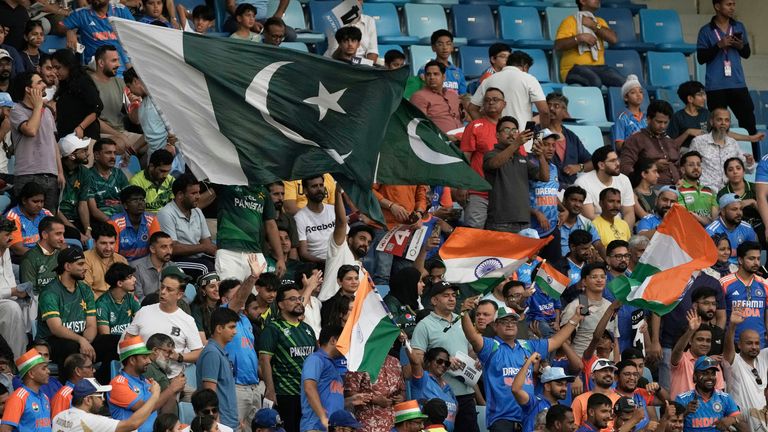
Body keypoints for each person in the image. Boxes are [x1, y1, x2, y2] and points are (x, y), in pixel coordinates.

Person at [461, 299, 583, 431]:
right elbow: (472, 336)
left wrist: (575, 318)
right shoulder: (490, 346)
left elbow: (556, 341)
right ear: (495, 326)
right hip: (502, 419)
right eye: (504, 321)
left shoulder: (528, 346)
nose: (510, 325)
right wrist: (464, 314)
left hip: (528, 418)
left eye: (513, 321)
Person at [412, 282, 478, 432]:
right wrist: (444, 362)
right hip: (439, 396)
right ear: (434, 300)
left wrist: (478, 359)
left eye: (454, 295)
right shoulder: (424, 325)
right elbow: (417, 359)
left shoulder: (462, 320)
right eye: (446, 295)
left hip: (466, 393)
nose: (452, 299)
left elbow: (471, 352)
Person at [125, 266, 203, 380]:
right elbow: (128, 337)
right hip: (142, 379)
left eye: (169, 290)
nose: (163, 292)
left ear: (179, 295)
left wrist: (179, 357)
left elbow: (198, 352)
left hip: (172, 379)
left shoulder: (187, 320)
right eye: (162, 287)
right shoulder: (144, 311)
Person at [258, 284, 317, 432]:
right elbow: (264, 360)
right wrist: (270, 390)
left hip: (307, 394)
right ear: (281, 304)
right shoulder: (273, 329)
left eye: (299, 299)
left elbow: (317, 361)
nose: (298, 302)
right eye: (292, 299)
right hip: (285, 394)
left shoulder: (307, 329)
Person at [696, 0, 756, 136]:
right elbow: (701, 58)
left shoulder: (739, 26)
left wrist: (740, 46)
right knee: (717, 127)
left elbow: (746, 54)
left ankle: (753, 150)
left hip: (738, 83)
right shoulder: (706, 30)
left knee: (749, 123)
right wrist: (719, 45)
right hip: (715, 86)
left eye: (733, 4)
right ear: (717, 6)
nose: (732, 8)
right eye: (728, 4)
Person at [36, 247, 101, 371]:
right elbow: (56, 328)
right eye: (80, 264)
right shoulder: (49, 292)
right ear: (67, 266)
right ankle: (68, 382)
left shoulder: (85, 289)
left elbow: (91, 325)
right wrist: (81, 340)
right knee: (71, 347)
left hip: (81, 337)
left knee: (110, 342)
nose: (85, 268)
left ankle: (103, 380)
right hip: (53, 341)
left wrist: (86, 342)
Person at [8, 71, 62, 212]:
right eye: (39, 82)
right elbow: (31, 130)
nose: (44, 85)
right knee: (26, 217)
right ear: (28, 89)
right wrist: (38, 106)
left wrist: (60, 172)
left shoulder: (48, 112)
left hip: (50, 175)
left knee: (49, 219)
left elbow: (53, 143)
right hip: (27, 175)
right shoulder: (16, 110)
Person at [483, 116, 543, 233]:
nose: (511, 134)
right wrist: (516, 143)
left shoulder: (522, 158)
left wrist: (541, 157)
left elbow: (544, 177)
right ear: (497, 135)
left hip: (524, 222)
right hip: (500, 222)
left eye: (514, 130)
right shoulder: (491, 154)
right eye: (506, 130)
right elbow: (495, 163)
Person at [215, 184, 284, 281]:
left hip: (255, 253)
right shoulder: (227, 185)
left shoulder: (263, 191)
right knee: (231, 290)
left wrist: (280, 258)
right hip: (229, 251)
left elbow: (271, 225)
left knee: (260, 290)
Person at [460, 87, 507, 228]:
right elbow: (465, 157)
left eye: (495, 99)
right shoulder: (474, 126)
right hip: (478, 193)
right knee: (473, 235)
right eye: (487, 100)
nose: (491, 102)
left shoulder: (510, 129)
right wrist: (462, 186)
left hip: (503, 195)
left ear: (504, 104)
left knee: (499, 238)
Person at [469, 51, 549, 130]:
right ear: (525, 67)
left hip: (495, 134)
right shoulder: (529, 79)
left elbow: (472, 108)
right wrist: (544, 132)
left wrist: (485, 128)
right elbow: (544, 111)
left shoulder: (488, 80)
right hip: (521, 134)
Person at [157, 174, 216, 280]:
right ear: (180, 195)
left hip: (198, 257)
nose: (198, 196)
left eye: (198, 192)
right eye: (194, 193)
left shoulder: (197, 211)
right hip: (174, 260)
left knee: (222, 262)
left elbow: (206, 242)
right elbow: (172, 248)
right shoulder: (166, 213)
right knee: (205, 268)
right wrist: (204, 247)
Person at [88, 46, 143, 156]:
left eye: (118, 60)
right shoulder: (88, 83)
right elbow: (91, 119)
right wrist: (118, 135)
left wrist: (139, 104)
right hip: (100, 134)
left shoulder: (120, 82)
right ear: (101, 63)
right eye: (114, 61)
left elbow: (135, 120)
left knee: (156, 143)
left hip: (122, 133)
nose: (119, 64)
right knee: (119, 144)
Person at [52, 377, 160, 432]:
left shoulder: (59, 417)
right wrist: (155, 395)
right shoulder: (90, 420)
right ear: (88, 400)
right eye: (99, 396)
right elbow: (133, 424)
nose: (103, 399)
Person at [553, 0, 621, 87]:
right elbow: (558, 45)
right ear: (582, 1)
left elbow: (613, 39)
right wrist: (579, 38)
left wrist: (594, 25)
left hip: (599, 68)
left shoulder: (599, 22)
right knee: (595, 81)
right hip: (574, 69)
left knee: (624, 84)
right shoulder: (570, 21)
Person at [561, 263, 619, 358]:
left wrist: (617, 363)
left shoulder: (610, 305)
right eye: (594, 277)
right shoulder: (578, 305)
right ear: (584, 281)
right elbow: (565, 341)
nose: (599, 280)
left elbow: (615, 339)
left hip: (607, 363)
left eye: (602, 277)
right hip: (583, 361)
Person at [691, 107, 756, 191]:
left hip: (729, 191)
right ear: (711, 122)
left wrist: (749, 163)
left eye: (727, 120)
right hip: (706, 191)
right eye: (719, 120)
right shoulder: (698, 142)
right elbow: (689, 167)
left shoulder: (733, 143)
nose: (723, 123)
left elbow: (747, 170)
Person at [722, 309, 767, 432]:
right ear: (739, 345)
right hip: (739, 426)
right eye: (749, 343)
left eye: (757, 343)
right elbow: (728, 347)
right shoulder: (734, 360)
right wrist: (732, 325)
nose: (754, 347)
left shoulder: (763, 358)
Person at [619, 100, 681, 187]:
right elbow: (625, 168)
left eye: (665, 122)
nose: (662, 126)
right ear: (648, 119)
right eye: (659, 122)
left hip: (678, 187)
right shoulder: (636, 139)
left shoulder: (670, 142)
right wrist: (653, 166)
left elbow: (680, 167)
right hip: (651, 189)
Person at [196, 308, 239, 430]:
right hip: (221, 424)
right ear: (219, 329)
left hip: (229, 422)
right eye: (231, 327)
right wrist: (216, 425)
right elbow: (209, 393)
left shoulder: (218, 352)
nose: (235, 332)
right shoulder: (212, 353)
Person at [300, 325, 348, 431]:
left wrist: (351, 401)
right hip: (316, 427)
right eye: (344, 340)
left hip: (330, 427)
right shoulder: (315, 359)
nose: (347, 345)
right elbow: (309, 388)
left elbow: (331, 399)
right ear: (333, 340)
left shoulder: (333, 364)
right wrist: (323, 417)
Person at [674, 356, 741, 431]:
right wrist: (685, 412)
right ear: (695, 376)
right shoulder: (682, 399)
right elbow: (671, 425)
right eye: (705, 373)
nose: (710, 377)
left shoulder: (725, 397)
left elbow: (739, 417)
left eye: (713, 373)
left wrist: (731, 419)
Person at [574, 146, 636, 228]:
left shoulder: (624, 179)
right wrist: (613, 230)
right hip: (595, 229)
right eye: (613, 161)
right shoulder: (583, 182)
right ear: (601, 165)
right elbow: (590, 216)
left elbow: (629, 212)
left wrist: (624, 231)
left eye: (617, 159)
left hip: (620, 228)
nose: (618, 163)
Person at [344, 350, 403, 432]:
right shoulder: (360, 360)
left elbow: (402, 389)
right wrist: (374, 399)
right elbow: (350, 392)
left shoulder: (395, 361)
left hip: (390, 422)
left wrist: (401, 397)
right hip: (367, 423)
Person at [670, 310, 725, 398]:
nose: (704, 344)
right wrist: (690, 331)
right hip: (681, 406)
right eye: (700, 339)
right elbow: (677, 350)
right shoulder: (682, 358)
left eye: (708, 341)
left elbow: (719, 394)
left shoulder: (713, 363)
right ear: (690, 341)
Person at [512, 355, 575, 432]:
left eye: (565, 385)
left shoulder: (561, 410)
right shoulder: (534, 402)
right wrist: (529, 362)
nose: (564, 388)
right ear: (547, 386)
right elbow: (515, 389)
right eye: (559, 384)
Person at [108, 337, 158, 432]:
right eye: (144, 357)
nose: (149, 361)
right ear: (132, 360)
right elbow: (144, 408)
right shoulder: (117, 384)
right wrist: (170, 390)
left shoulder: (147, 381)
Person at [51, 49, 103, 140]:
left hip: (84, 136)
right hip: (67, 136)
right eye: (53, 68)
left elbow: (97, 107)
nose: (54, 71)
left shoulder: (83, 81)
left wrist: (81, 127)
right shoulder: (64, 83)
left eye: (58, 67)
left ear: (68, 65)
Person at [721, 241, 766, 346]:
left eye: (758, 258)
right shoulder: (724, 283)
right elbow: (719, 317)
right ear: (740, 260)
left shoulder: (764, 284)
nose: (756, 263)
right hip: (733, 346)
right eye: (751, 258)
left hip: (760, 346)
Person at [545, 93, 594, 188]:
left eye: (556, 106)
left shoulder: (571, 137)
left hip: (570, 190)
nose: (551, 108)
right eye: (548, 105)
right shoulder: (538, 132)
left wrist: (579, 167)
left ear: (564, 111)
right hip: (547, 188)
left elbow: (592, 162)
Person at [406, 346, 457, 431]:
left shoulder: (448, 388)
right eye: (440, 361)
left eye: (447, 363)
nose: (443, 365)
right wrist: (406, 343)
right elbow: (416, 362)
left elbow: (455, 410)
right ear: (429, 362)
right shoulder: (422, 379)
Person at [529, 129, 562, 258]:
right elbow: (518, 198)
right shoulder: (529, 165)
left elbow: (551, 193)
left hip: (552, 229)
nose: (551, 149)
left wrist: (564, 209)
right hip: (532, 231)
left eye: (553, 145)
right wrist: (536, 213)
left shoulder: (554, 168)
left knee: (554, 267)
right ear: (537, 144)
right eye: (546, 145)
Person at [0, 349, 50, 431]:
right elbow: (5, 430)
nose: (48, 371)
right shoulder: (17, 398)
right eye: (44, 369)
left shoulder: (45, 397)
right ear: (31, 374)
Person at [57, 133, 94, 244]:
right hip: (58, 220)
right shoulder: (56, 172)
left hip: (76, 218)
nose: (88, 153)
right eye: (83, 151)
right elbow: (55, 209)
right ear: (72, 156)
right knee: (75, 238)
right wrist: (78, 233)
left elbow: (83, 203)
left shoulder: (85, 172)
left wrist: (88, 230)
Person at [109, 185, 161, 263]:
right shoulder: (115, 222)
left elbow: (158, 246)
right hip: (122, 264)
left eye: (142, 200)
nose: (140, 203)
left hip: (146, 263)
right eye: (135, 200)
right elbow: (112, 254)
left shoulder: (151, 219)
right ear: (125, 205)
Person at [411, 61, 462, 136]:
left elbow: (461, 118)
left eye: (436, 74)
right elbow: (420, 125)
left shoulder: (452, 95)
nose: (432, 77)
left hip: (461, 136)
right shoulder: (419, 96)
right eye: (428, 74)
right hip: (439, 140)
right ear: (425, 77)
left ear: (444, 77)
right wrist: (444, 137)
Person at [0, 218, 27, 357]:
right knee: (12, 308)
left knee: (31, 302)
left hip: (7, 299)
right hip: (5, 301)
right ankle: (16, 359)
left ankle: (32, 353)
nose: (11, 238)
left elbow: (10, 280)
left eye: (11, 234)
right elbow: (10, 289)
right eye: (7, 234)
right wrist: (12, 292)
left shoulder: (5, 250)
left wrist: (19, 292)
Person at [294, 176, 335, 264]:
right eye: (314, 186)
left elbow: (346, 239)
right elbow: (303, 253)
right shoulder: (299, 218)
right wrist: (325, 262)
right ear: (305, 190)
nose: (319, 189)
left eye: (321, 185)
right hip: (317, 264)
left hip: (339, 259)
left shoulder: (334, 211)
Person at [20, 216, 66, 294]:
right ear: (45, 235)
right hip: (38, 300)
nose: (62, 239)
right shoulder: (29, 258)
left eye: (63, 234)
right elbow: (30, 293)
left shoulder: (62, 256)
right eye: (58, 234)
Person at [718, 158, 761, 240]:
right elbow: (722, 217)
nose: (735, 172)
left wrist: (753, 202)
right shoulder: (722, 193)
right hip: (736, 230)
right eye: (730, 170)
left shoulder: (756, 188)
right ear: (726, 174)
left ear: (744, 171)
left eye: (738, 168)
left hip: (759, 226)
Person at [88, 138, 129, 223]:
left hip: (124, 219)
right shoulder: (88, 176)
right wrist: (112, 224)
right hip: (102, 222)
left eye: (114, 153)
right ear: (96, 155)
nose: (113, 157)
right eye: (108, 153)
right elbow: (94, 211)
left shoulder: (119, 174)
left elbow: (129, 200)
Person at [706, 194, 757, 262]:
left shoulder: (747, 227)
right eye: (734, 209)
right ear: (723, 212)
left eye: (741, 209)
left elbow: (756, 251)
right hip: (721, 267)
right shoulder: (711, 231)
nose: (739, 213)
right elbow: (709, 259)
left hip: (743, 266)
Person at [144, 333, 186, 414]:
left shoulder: (157, 367)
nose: (170, 356)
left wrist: (175, 387)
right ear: (155, 350)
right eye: (169, 352)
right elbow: (148, 407)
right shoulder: (147, 369)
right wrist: (173, 388)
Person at [417, 30, 467, 97]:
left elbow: (463, 95)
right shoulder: (425, 69)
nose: (445, 48)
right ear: (433, 47)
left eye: (448, 44)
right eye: (440, 44)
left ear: (452, 47)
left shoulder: (458, 72)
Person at [84, 223, 128, 298]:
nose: (108, 248)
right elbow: (86, 291)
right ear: (95, 242)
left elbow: (128, 287)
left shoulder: (121, 260)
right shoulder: (85, 259)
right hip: (96, 302)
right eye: (103, 243)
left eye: (111, 243)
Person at [559, 186, 602, 257]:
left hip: (581, 262)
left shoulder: (586, 223)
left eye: (580, 201)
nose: (577, 205)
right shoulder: (554, 221)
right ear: (564, 200)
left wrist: (607, 259)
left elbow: (597, 244)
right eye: (573, 200)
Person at [679, 151, 719, 226]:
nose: (696, 167)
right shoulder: (678, 191)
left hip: (709, 231)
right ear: (683, 170)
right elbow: (684, 218)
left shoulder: (709, 191)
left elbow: (715, 219)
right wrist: (707, 222)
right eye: (691, 165)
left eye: (698, 164)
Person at [131, 231, 175, 300]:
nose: (169, 251)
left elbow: (181, 294)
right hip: (146, 306)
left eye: (171, 246)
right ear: (152, 249)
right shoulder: (136, 268)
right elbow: (138, 298)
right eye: (164, 247)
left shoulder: (173, 267)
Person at [50, 353, 94, 419]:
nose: (94, 370)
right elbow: (57, 423)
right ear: (78, 371)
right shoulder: (63, 396)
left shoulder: (88, 392)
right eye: (90, 367)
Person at [612, 75, 647, 150]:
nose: (638, 95)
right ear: (626, 97)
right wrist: (632, 139)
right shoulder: (622, 118)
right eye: (633, 92)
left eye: (640, 92)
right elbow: (618, 145)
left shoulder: (647, 117)